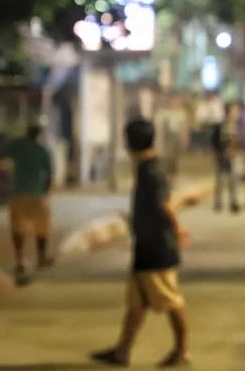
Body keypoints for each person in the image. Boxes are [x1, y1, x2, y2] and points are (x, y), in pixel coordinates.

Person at [92, 119, 191, 368]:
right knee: (136, 303)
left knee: (170, 300)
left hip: (157, 248)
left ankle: (182, 350)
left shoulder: (151, 171)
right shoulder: (148, 168)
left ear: (130, 143)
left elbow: (164, 205)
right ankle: (122, 351)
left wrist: (178, 230)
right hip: (145, 247)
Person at [3, 124, 54, 284]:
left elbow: (3, 156)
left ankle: (19, 260)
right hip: (36, 194)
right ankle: (41, 257)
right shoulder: (42, 150)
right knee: (42, 227)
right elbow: (49, 173)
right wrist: (45, 191)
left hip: (18, 193)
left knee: (17, 228)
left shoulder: (17, 146)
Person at [211, 101, 245, 214]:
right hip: (222, 156)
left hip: (233, 156)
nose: (234, 112)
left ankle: (234, 202)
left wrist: (237, 150)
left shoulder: (238, 125)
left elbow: (242, 140)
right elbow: (215, 140)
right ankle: (218, 202)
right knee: (220, 180)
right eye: (232, 109)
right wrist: (218, 152)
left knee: (234, 180)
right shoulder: (220, 125)